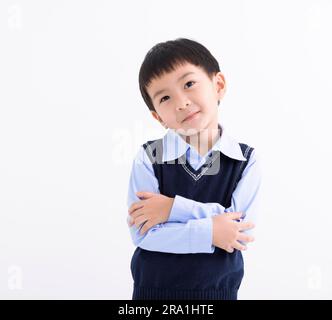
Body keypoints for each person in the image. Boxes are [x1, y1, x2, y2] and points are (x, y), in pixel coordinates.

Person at [126, 38, 262, 300]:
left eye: (189, 84)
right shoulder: (148, 158)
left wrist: (171, 209)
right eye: (165, 97)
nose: (181, 102)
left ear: (218, 85)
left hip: (218, 293)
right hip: (153, 294)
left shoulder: (246, 160)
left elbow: (239, 231)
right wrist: (213, 229)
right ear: (158, 117)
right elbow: (144, 235)